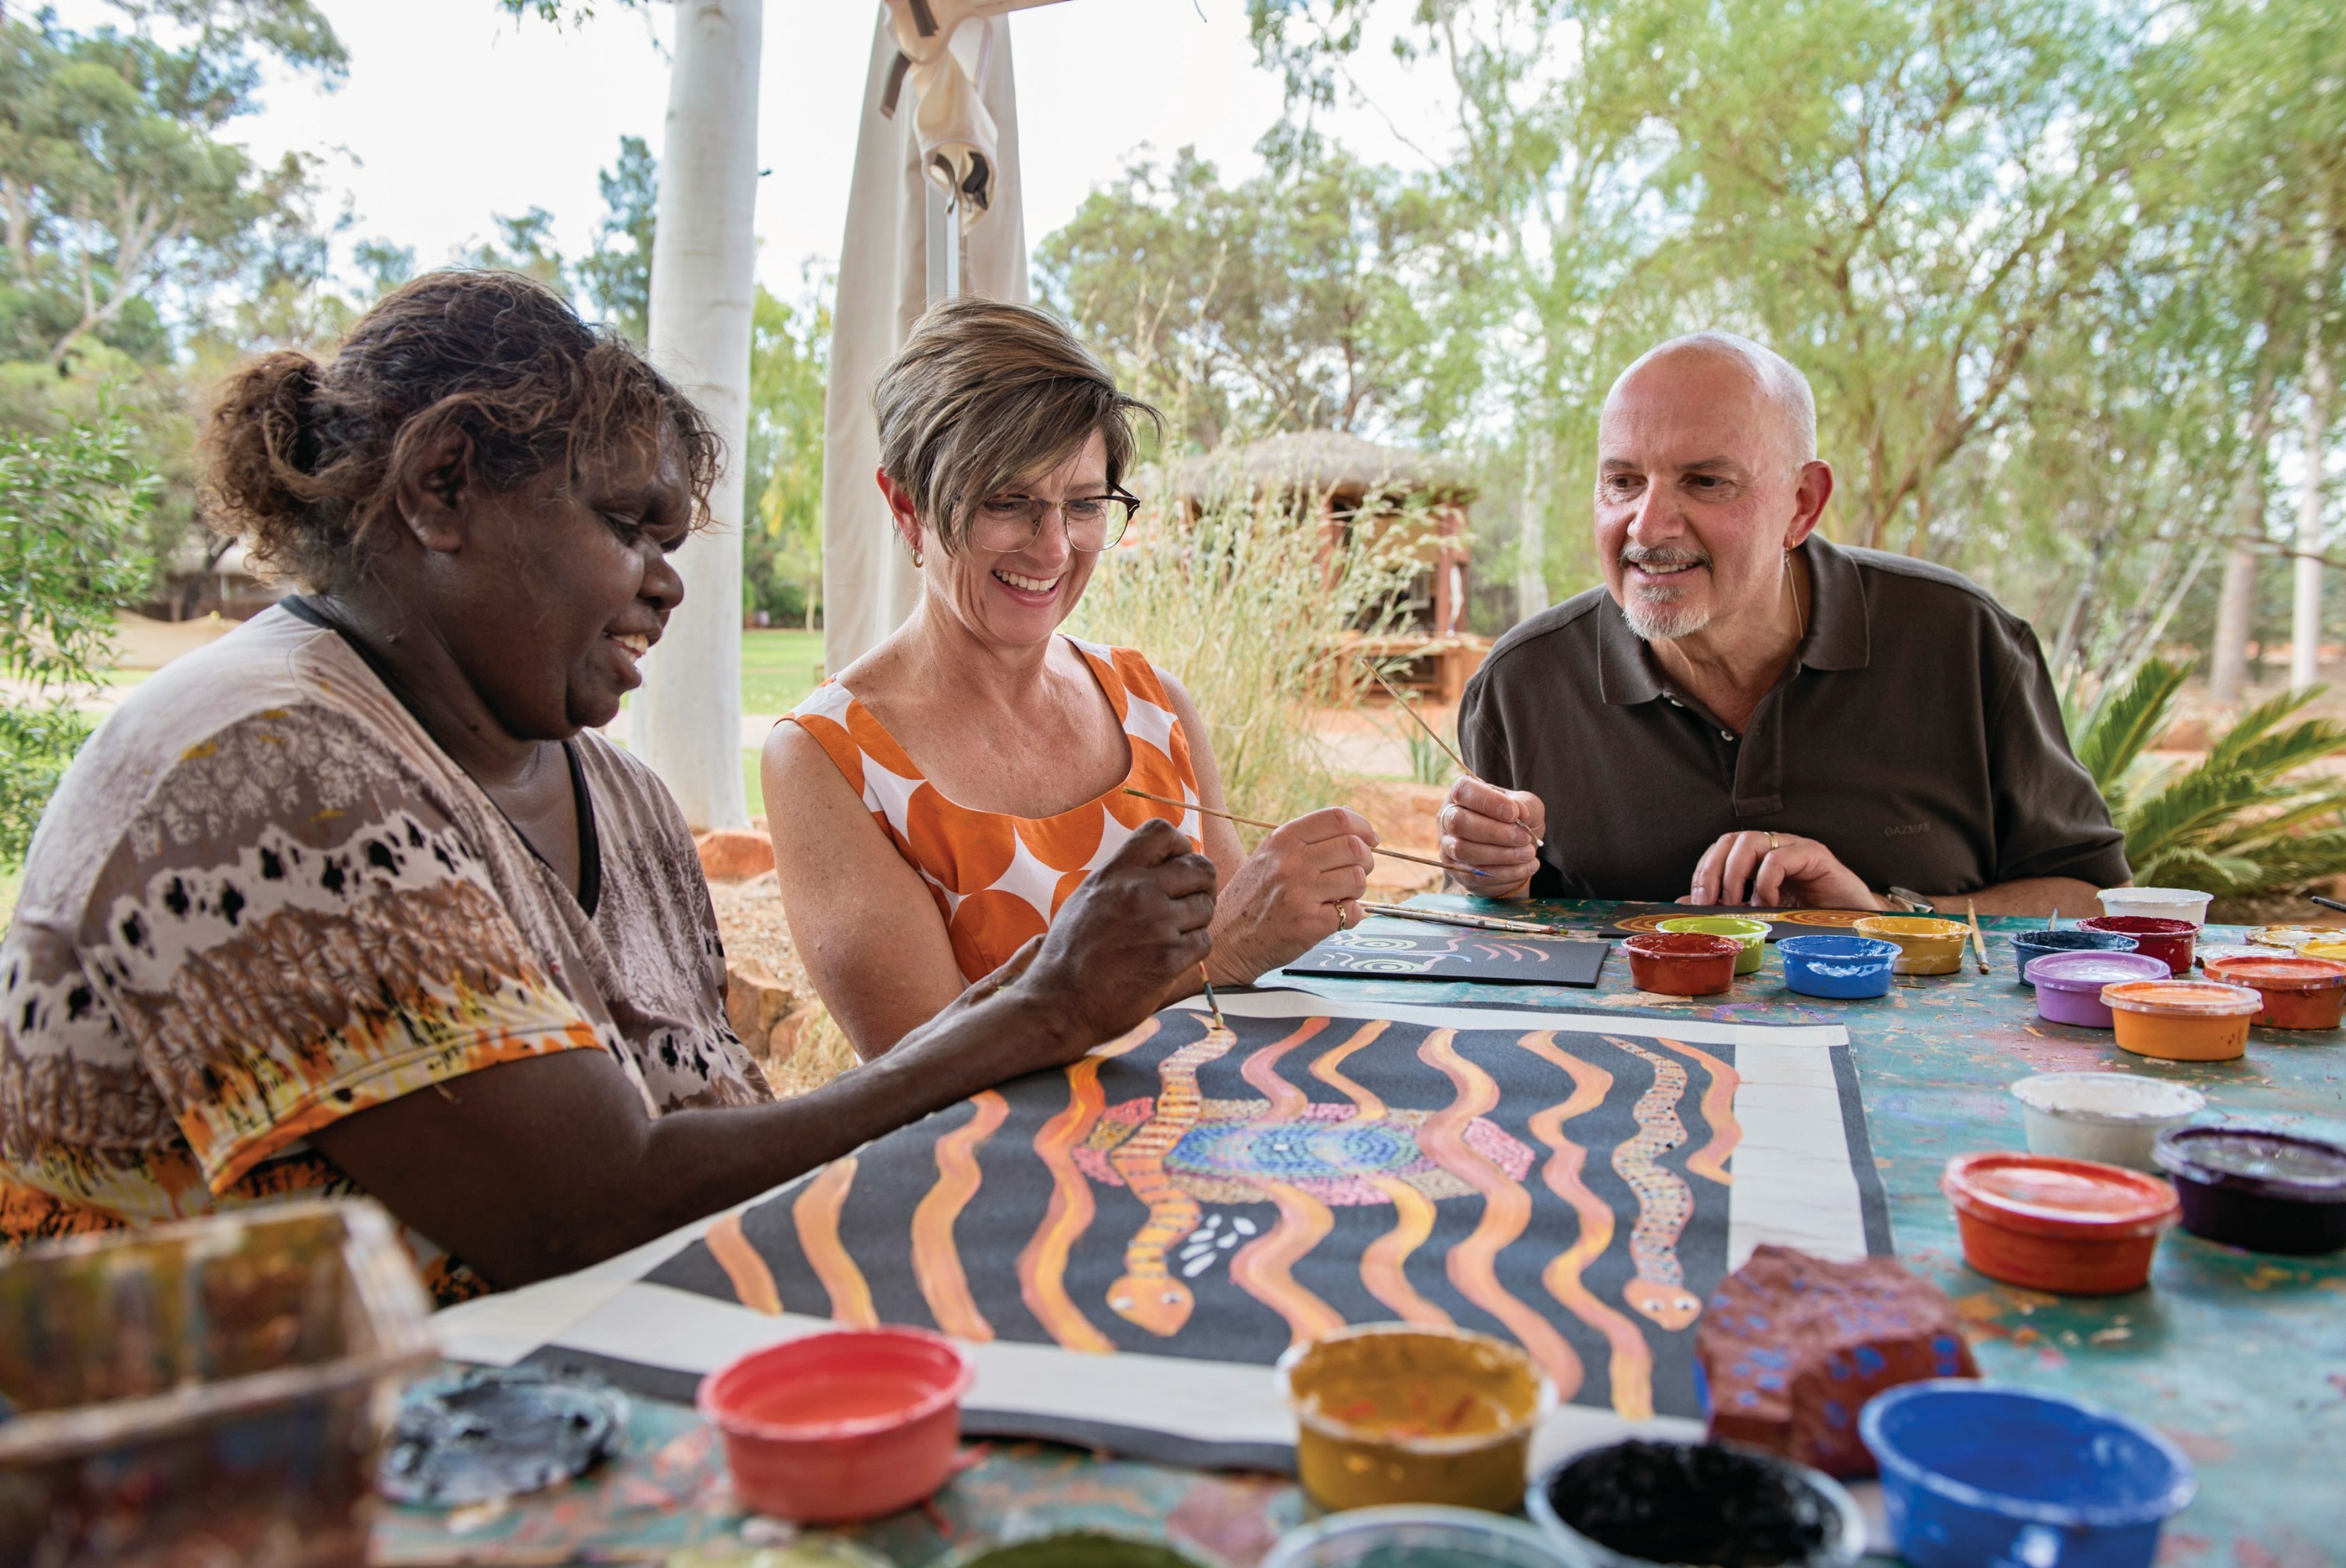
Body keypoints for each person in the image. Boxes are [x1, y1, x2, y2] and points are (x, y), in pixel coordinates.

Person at [0, 272, 1217, 1304]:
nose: (667, 586)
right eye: (628, 525)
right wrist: (1045, 1006)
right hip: (223, 1476)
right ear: (442, 486)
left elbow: (705, 1134)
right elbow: (584, 1211)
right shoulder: (262, 761)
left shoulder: (615, 799)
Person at [765, 299, 1378, 1058]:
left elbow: (1243, 989)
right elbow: (923, 1068)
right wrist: (1219, 951)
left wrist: (1300, 903)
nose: (1053, 548)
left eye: (1084, 504)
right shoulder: (830, 759)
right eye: (1008, 502)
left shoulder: (1154, 705)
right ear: (907, 506)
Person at [1441, 331, 2128, 914]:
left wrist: (1883, 916)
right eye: (1623, 482)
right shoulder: (1524, 683)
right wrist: (1486, 875)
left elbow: (2094, 898)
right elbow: (1485, 926)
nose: (1647, 526)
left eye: (1706, 482)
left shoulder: (1962, 642)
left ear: (1802, 503)